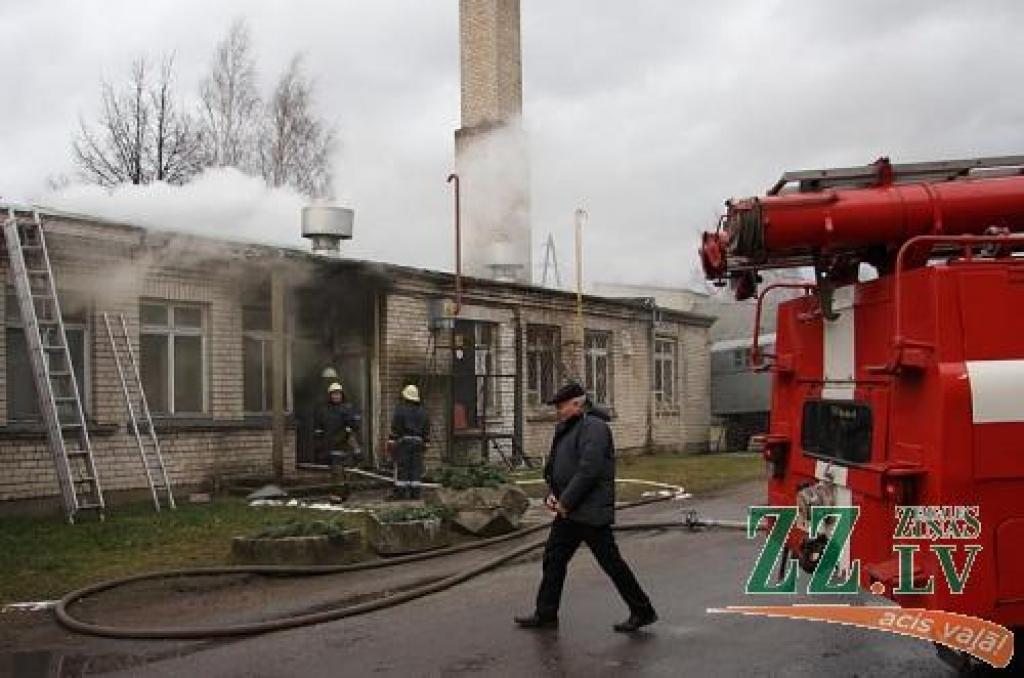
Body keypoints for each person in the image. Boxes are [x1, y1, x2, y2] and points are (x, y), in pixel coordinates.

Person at [514, 382, 658, 633]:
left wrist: (566, 501)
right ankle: (546, 613)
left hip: (589, 511)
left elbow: (588, 470)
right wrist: (554, 494)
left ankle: (643, 611)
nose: (558, 411)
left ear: (577, 404)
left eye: (561, 406)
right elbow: (559, 466)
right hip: (569, 512)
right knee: (553, 558)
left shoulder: (594, 428)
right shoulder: (569, 427)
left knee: (611, 563)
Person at [388, 384, 429, 500]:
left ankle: (400, 492)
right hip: (418, 443)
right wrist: (426, 442)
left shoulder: (400, 410)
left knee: (403, 467)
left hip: (404, 442)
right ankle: (415, 493)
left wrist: (391, 440)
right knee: (416, 468)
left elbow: (396, 427)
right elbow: (426, 428)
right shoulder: (423, 411)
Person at [313, 382, 363, 469]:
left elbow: (355, 427)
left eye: (338, 394)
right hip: (328, 445)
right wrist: (319, 442)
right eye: (334, 394)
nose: (336, 396)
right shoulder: (323, 410)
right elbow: (319, 427)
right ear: (330, 395)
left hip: (343, 445)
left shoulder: (348, 409)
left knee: (342, 468)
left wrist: (349, 434)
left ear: (342, 395)